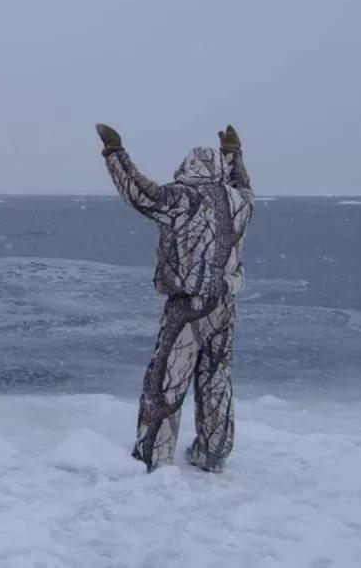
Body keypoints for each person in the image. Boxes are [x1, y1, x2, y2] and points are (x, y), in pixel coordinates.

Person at [96, 123, 253, 473]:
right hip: (225, 305)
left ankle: (154, 455)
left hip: (187, 305)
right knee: (216, 378)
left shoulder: (181, 199)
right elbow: (242, 182)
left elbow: (138, 192)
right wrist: (233, 152)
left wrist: (114, 152)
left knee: (166, 380)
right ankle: (213, 453)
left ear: (186, 169)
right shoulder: (240, 201)